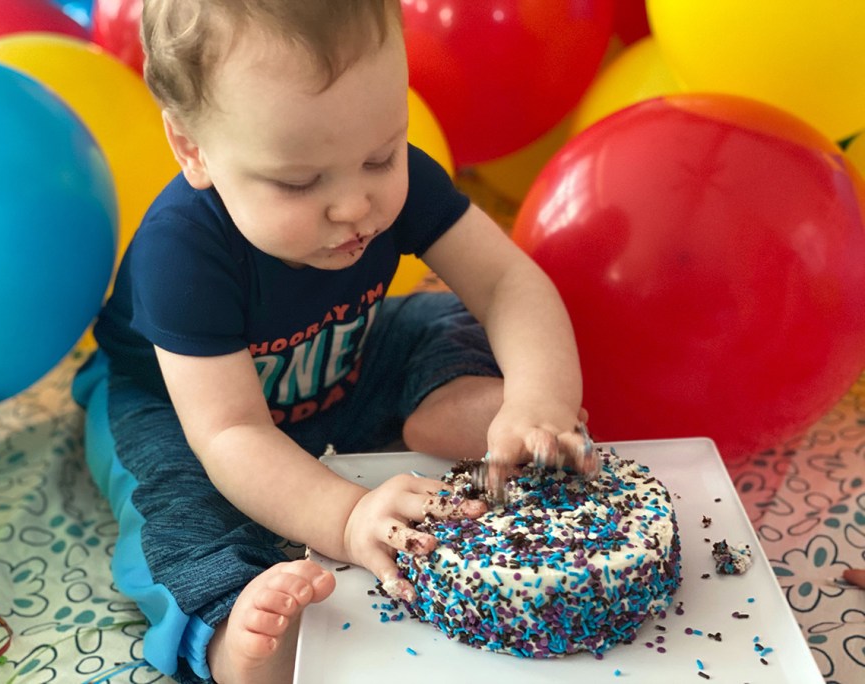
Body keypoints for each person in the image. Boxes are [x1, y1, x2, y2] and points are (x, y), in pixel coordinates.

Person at [72, 1, 590, 682]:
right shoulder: (182, 249)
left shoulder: (391, 186)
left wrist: (540, 401)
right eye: (299, 181)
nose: (355, 207)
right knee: (174, 510)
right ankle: (227, 631)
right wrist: (346, 517)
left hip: (341, 358)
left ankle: (459, 402)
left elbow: (504, 283)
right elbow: (230, 432)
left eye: (381, 156)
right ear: (193, 148)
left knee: (438, 313)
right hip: (185, 409)